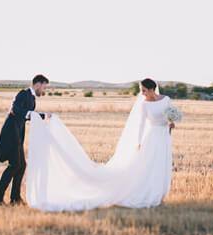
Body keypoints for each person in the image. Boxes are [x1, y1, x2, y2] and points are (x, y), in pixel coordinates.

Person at [23, 77, 177, 211]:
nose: (142, 94)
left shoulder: (166, 99)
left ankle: (160, 193)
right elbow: (142, 124)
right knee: (150, 165)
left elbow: (168, 115)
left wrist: (171, 122)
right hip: (151, 137)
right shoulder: (144, 104)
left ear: (152, 89)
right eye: (141, 91)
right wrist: (138, 142)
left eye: (144, 91)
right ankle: (151, 194)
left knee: (161, 164)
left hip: (163, 136)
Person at [0, 74, 48, 205]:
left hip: (17, 133)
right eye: (44, 88)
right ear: (37, 84)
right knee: (15, 165)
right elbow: (15, 109)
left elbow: (29, 115)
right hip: (11, 133)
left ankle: (15, 198)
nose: (44, 91)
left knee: (21, 165)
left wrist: (44, 116)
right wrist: (36, 115)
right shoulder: (23, 94)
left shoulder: (32, 98)